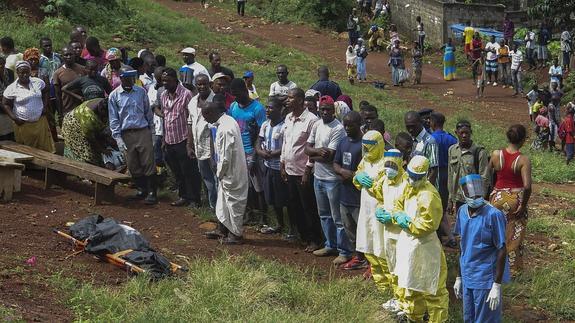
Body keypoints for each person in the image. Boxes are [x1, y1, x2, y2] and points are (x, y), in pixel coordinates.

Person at [392, 155, 449, 323]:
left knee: (433, 288)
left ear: (425, 176)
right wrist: (397, 216)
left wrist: (408, 224)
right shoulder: (408, 186)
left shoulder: (429, 196)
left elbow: (429, 225)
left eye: (416, 177)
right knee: (411, 283)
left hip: (425, 247)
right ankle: (413, 317)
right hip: (408, 244)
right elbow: (397, 205)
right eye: (410, 175)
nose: (412, 180)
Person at [453, 174, 510, 323]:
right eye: (470, 195)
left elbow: (502, 249)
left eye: (478, 194)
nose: (474, 197)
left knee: (485, 319)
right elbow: (462, 245)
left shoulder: (493, 215)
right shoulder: (462, 212)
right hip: (468, 275)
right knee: (469, 317)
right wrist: (459, 277)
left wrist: (496, 285)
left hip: (485, 278)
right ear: (463, 193)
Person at [305, 95, 351, 265]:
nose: (325, 112)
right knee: (324, 215)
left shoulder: (338, 128)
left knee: (337, 217)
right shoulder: (317, 125)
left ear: (334, 111)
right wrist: (318, 152)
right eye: (322, 109)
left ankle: (344, 251)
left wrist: (314, 154)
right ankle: (329, 244)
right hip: (318, 177)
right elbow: (306, 149)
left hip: (332, 179)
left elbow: (329, 156)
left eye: (328, 110)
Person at [202, 98, 249, 244]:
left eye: (205, 116)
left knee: (233, 204)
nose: (205, 120)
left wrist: (219, 173)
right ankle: (222, 229)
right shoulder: (227, 121)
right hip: (229, 172)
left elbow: (225, 157)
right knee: (223, 203)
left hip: (231, 173)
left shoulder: (225, 129)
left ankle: (236, 235)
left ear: (210, 113)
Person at [281, 87, 322, 251]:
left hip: (303, 172)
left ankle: (315, 239)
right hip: (289, 170)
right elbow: (286, 142)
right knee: (294, 205)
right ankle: (302, 236)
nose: (287, 100)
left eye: (290, 98)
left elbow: (313, 147)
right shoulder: (288, 118)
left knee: (308, 206)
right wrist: (282, 163)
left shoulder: (312, 120)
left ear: (299, 100)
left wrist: (307, 170)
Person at [108, 67, 157, 204]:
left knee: (148, 162)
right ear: (121, 78)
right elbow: (114, 119)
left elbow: (148, 113)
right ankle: (142, 190)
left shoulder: (141, 92)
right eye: (127, 78)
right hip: (126, 134)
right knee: (132, 164)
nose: (130, 81)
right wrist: (117, 138)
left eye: (132, 78)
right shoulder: (114, 96)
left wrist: (152, 133)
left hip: (142, 131)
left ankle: (152, 192)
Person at [489, 124, 532, 275]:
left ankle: (493, 266)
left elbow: (488, 177)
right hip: (515, 199)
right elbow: (527, 186)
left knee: (495, 232)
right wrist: (523, 204)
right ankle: (512, 270)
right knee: (514, 235)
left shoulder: (495, 154)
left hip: (497, 197)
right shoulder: (522, 160)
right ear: (523, 140)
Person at [370, 149, 407, 313]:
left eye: (392, 165)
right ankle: (397, 298)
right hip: (388, 232)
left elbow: (410, 210)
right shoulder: (384, 181)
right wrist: (379, 209)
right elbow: (380, 200)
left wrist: (393, 218)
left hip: (403, 234)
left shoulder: (406, 183)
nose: (389, 168)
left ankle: (407, 302)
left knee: (403, 267)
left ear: (400, 163)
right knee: (392, 265)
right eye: (387, 165)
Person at [160, 68, 202, 207]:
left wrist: (190, 143)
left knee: (189, 171)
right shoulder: (164, 95)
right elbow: (165, 118)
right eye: (163, 81)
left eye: (167, 81)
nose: (165, 83)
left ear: (175, 80)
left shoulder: (186, 94)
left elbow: (192, 118)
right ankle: (183, 196)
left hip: (183, 139)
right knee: (177, 171)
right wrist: (164, 139)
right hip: (169, 139)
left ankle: (195, 199)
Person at [228, 78, 267, 218]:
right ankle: (249, 214)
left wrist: (254, 157)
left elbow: (261, 134)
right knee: (244, 186)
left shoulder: (258, 108)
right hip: (238, 151)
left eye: (238, 94)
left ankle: (264, 217)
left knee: (258, 187)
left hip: (253, 151)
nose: (236, 97)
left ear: (245, 91)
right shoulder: (233, 107)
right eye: (233, 95)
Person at [333, 111, 366, 270]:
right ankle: (357, 257)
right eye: (345, 124)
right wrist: (341, 171)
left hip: (359, 197)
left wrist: (352, 174)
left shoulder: (365, 145)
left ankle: (367, 260)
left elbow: (369, 169)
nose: (346, 128)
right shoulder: (343, 142)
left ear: (359, 124)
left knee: (362, 230)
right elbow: (336, 163)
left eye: (350, 125)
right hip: (344, 195)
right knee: (349, 228)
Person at [2, 61, 54, 153]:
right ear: (17, 73)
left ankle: (44, 167)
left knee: (44, 149)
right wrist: (14, 118)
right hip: (23, 125)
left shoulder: (38, 82)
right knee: (27, 151)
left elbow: (46, 91)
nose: (25, 75)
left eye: (27, 72)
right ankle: (30, 167)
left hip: (40, 123)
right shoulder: (12, 88)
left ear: (30, 71)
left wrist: (45, 106)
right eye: (22, 72)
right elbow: (5, 104)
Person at [255, 97, 290, 234]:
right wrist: (260, 152)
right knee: (272, 198)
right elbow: (259, 140)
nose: (267, 110)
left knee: (284, 198)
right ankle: (280, 224)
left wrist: (274, 153)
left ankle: (291, 228)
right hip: (267, 165)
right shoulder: (265, 125)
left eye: (271, 108)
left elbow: (287, 146)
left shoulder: (285, 126)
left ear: (280, 110)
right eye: (267, 107)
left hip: (280, 168)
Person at [448, 120, 491, 213]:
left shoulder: (479, 152)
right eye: (461, 133)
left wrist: (480, 200)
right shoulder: (452, 150)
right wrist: (450, 199)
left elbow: (484, 177)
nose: (464, 136)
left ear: (471, 133)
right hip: (459, 198)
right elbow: (451, 175)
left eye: (466, 133)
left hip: (474, 199)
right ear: (456, 133)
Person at [187, 73, 217, 209]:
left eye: (205, 83)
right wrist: (189, 144)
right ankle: (212, 206)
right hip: (198, 146)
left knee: (217, 179)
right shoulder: (193, 102)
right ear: (196, 85)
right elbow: (190, 122)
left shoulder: (215, 101)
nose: (202, 86)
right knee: (207, 179)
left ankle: (219, 209)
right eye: (199, 84)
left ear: (209, 84)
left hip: (213, 148)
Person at [429, 112, 458, 247]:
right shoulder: (451, 139)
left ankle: (447, 236)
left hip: (437, 174)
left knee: (436, 207)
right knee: (443, 206)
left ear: (433, 123)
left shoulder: (430, 139)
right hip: (449, 174)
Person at [61, 98, 112, 166]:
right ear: (101, 110)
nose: (106, 116)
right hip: (73, 125)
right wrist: (102, 150)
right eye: (105, 114)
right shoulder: (88, 117)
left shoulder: (105, 102)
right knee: (86, 152)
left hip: (82, 122)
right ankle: (82, 169)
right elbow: (91, 139)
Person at [404, 111, 438, 185]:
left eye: (413, 126)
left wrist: (426, 188)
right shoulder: (411, 140)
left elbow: (434, 170)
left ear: (421, 122)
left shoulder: (429, 142)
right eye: (408, 127)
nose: (410, 130)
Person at [53, 47, 85, 118]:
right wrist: (60, 113)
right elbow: (58, 95)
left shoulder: (83, 69)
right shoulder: (57, 73)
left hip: (83, 107)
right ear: (62, 56)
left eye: (71, 54)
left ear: (74, 55)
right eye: (66, 55)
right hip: (67, 109)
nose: (69, 57)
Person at [0, 56, 14, 141]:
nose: (0, 66)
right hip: (1, 107)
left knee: (10, 133)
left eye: (2, 64)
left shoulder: (9, 72)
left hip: (9, 104)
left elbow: (11, 88)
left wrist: (3, 77)